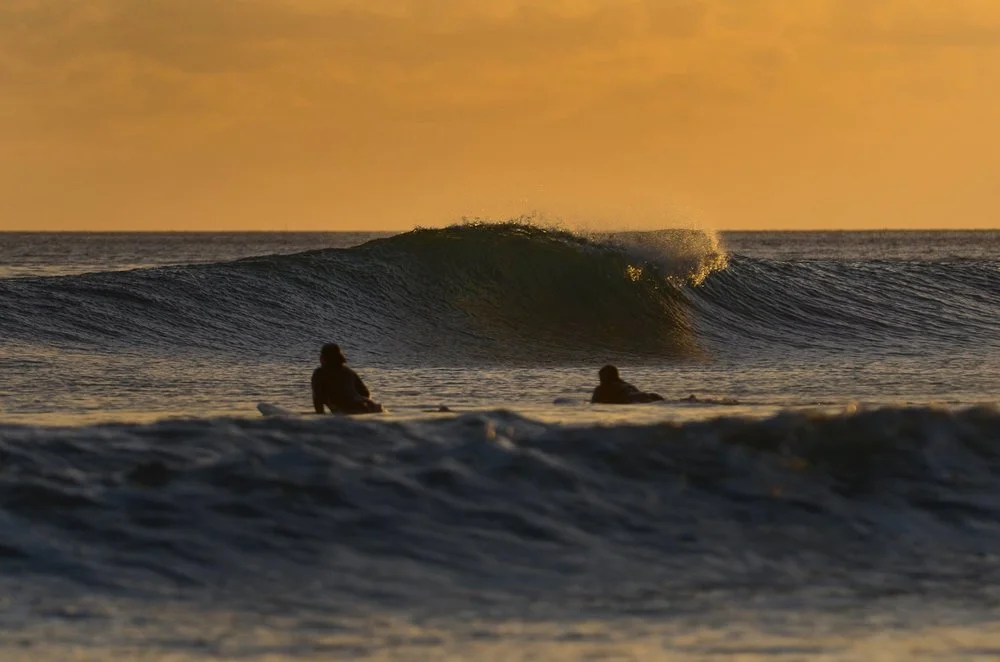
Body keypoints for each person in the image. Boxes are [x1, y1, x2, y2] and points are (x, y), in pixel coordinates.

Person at [312, 343, 383, 414]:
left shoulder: (319, 373)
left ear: (323, 357)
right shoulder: (349, 371)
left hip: (345, 410)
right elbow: (365, 393)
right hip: (365, 406)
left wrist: (321, 416)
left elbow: (317, 397)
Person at [590, 364, 664, 405]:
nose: (600, 380)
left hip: (633, 399)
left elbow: (594, 402)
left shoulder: (602, 388)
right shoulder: (625, 384)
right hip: (644, 395)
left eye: (601, 377)